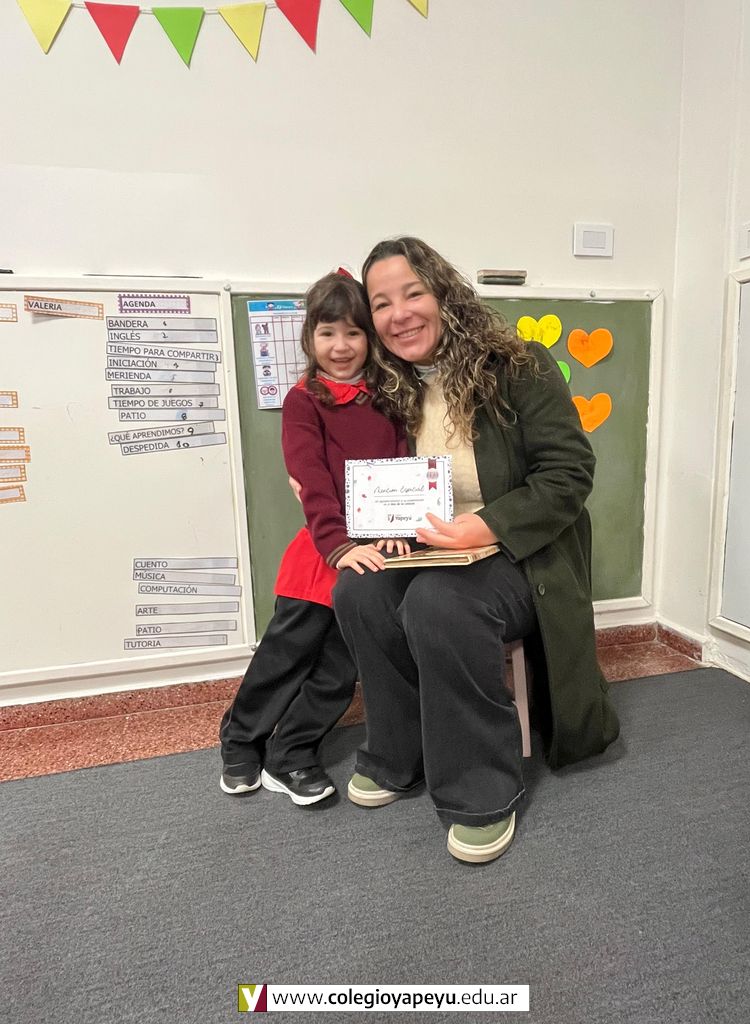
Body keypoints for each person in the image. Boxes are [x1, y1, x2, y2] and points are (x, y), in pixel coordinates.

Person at [333, 237, 620, 862]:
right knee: (358, 588)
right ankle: (400, 752)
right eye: (381, 303)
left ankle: (481, 789)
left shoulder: (519, 365)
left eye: (413, 293)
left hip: (522, 554)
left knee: (439, 604)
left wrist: (484, 527)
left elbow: (568, 474)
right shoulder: (391, 385)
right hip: (434, 550)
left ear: (443, 293)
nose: (399, 314)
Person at [219, 271, 408, 806]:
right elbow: (312, 481)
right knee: (285, 656)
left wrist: (396, 529)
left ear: (369, 338)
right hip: (323, 553)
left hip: (374, 557)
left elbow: (402, 469)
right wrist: (340, 546)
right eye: (328, 333)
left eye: (353, 333)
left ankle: (292, 752)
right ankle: (241, 740)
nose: (340, 346)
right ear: (309, 338)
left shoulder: (389, 397)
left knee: (339, 670)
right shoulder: (303, 400)